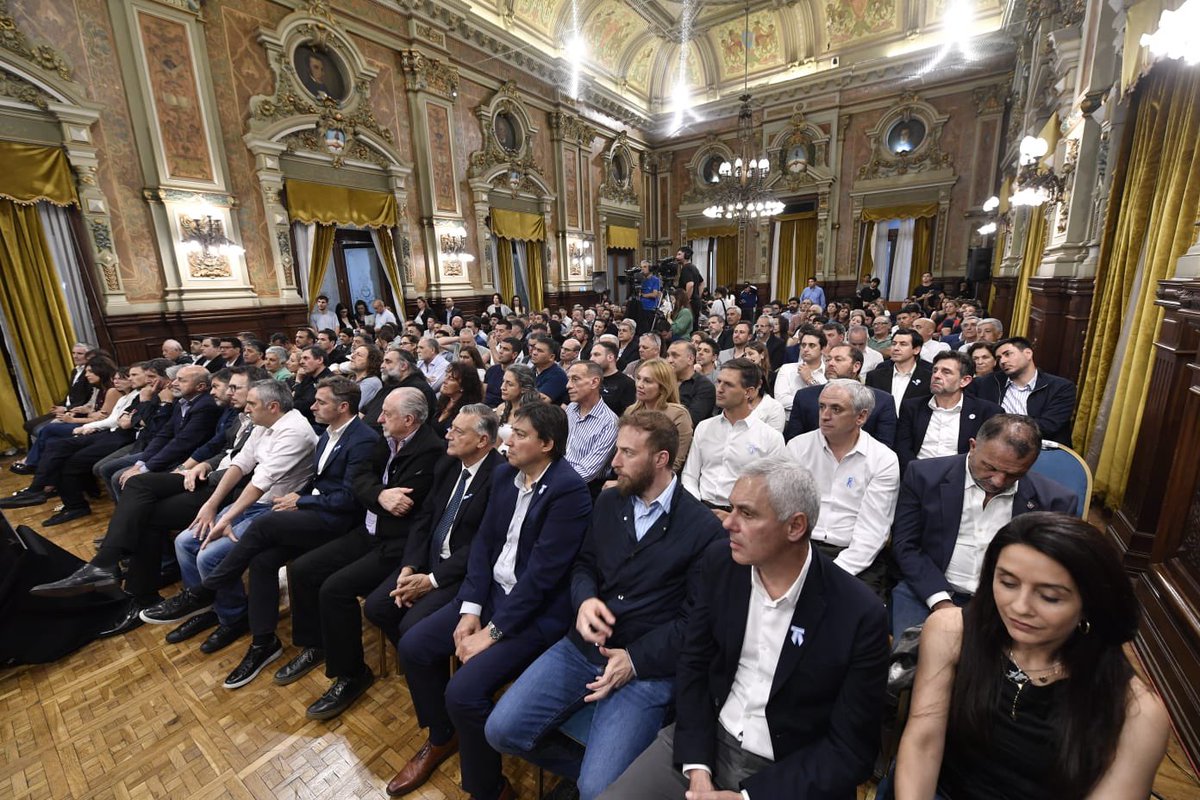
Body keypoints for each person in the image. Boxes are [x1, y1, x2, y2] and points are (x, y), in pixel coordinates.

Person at [601, 458, 889, 799]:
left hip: (789, 772)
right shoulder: (721, 563)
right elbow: (693, 665)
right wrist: (698, 769)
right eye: (731, 508)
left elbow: (850, 750)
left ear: (795, 526)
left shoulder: (858, 614)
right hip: (706, 741)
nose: (728, 524)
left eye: (747, 514)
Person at [487, 411, 726, 800]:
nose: (613, 461)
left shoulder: (703, 530)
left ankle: (594, 786)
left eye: (627, 453)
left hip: (644, 669)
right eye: (617, 449)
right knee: (501, 731)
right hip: (581, 648)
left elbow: (695, 622)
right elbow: (584, 565)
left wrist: (633, 659)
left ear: (660, 459)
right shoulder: (610, 500)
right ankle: (589, 780)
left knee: (599, 788)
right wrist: (584, 602)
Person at [890, 512, 1169, 800]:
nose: (1020, 607)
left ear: (1090, 602)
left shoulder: (1138, 713)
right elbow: (924, 741)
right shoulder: (951, 632)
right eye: (1008, 583)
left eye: (1049, 597)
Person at [389, 403, 591, 800]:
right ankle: (443, 736)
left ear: (547, 444)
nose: (507, 440)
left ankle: (489, 789)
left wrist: (492, 633)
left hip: (535, 614)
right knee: (413, 646)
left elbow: (542, 578)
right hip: (493, 596)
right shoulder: (504, 476)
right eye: (509, 431)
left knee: (462, 693)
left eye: (519, 434)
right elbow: (483, 547)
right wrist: (470, 611)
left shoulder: (570, 490)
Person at [199, 377, 381, 689]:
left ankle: (215, 582)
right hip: (316, 513)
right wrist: (302, 499)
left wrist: (303, 500)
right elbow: (318, 481)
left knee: (265, 523)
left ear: (343, 406)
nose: (312, 405)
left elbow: (351, 498)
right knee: (262, 561)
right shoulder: (329, 433)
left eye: (320, 402)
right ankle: (263, 641)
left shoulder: (362, 439)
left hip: (340, 521)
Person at [287, 387, 444, 719]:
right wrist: (381, 495)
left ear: (409, 419)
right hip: (368, 530)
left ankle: (352, 673)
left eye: (386, 413)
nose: (379, 417)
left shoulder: (431, 452)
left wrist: (378, 497)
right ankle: (317, 644)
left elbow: (405, 508)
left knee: (334, 589)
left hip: (395, 544)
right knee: (302, 569)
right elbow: (359, 478)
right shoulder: (384, 437)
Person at [139, 380, 318, 653]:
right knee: (186, 541)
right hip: (255, 502)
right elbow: (240, 464)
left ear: (273, 407)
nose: (245, 408)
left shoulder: (295, 431)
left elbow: (261, 481)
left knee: (209, 555)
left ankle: (233, 618)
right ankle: (209, 606)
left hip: (277, 509)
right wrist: (211, 505)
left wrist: (225, 518)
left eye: (251, 404)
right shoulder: (263, 423)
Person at [889, 415, 1078, 639]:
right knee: (914, 664)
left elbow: (1052, 569)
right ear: (973, 446)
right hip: (926, 590)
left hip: (1008, 605)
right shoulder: (924, 475)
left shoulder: (1054, 501)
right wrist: (941, 602)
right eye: (990, 467)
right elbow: (906, 545)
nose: (998, 481)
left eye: (1013, 474)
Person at [363, 405, 503, 651]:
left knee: (412, 627)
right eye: (451, 428)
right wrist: (410, 566)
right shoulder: (448, 463)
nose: (448, 435)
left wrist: (431, 581)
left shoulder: (501, 477)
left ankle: (428, 667)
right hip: (428, 559)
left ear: (482, 440)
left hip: (462, 571)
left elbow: (483, 544)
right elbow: (424, 518)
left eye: (458, 431)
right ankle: (415, 660)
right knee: (376, 607)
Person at [785, 380, 899, 593]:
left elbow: (872, 532)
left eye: (836, 409)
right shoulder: (798, 448)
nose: (825, 415)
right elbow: (786, 512)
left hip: (855, 556)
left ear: (861, 417)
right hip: (801, 548)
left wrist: (830, 573)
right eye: (822, 407)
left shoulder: (883, 459)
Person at [682, 358, 785, 515]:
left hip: (742, 515)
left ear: (748, 392)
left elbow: (772, 490)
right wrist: (698, 508)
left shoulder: (771, 438)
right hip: (700, 508)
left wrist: (739, 515)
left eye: (728, 384)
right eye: (719, 382)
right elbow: (690, 475)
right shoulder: (704, 427)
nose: (719, 389)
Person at [895, 351, 1003, 474]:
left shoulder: (986, 412)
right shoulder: (912, 407)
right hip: (916, 475)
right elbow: (902, 448)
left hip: (961, 479)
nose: (936, 375)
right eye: (935, 370)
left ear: (965, 381)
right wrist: (917, 474)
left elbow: (986, 455)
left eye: (946, 372)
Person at [784, 344, 897, 447]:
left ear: (856, 366)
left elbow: (884, 445)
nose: (831, 363)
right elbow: (794, 440)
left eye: (838, 359)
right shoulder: (805, 396)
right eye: (828, 359)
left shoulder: (882, 401)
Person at [973, 337, 1077, 446]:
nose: (1003, 361)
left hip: (1041, 449)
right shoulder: (988, 383)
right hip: (996, 447)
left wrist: (1004, 428)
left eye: (1008, 354)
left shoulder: (1061, 387)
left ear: (1028, 354)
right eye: (999, 358)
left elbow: (1049, 426)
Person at [625, 359, 693, 472]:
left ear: (663, 387)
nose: (639, 385)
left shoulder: (678, 415)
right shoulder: (631, 412)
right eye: (638, 378)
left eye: (647, 381)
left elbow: (674, 463)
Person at [564, 361, 619, 484]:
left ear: (594, 382)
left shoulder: (609, 422)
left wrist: (555, 482)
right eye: (568, 379)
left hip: (584, 486)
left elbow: (587, 472)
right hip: (559, 476)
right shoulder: (571, 408)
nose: (568, 385)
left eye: (575, 379)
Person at [866, 330, 933, 415]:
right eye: (894, 344)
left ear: (916, 350)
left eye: (903, 344)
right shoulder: (874, 376)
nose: (896, 348)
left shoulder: (928, 378)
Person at [774, 325, 827, 415]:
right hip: (788, 421)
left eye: (812, 345)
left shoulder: (829, 372)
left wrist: (810, 380)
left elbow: (826, 401)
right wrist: (812, 402)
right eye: (803, 345)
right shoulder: (787, 369)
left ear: (822, 349)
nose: (806, 349)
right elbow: (781, 400)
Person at [666, 340, 715, 427]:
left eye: (675, 356)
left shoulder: (704, 386)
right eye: (668, 355)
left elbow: (691, 420)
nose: (669, 360)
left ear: (690, 359)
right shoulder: (663, 382)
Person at [433, 361, 484, 439]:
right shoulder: (443, 401)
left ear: (463, 386)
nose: (444, 381)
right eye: (446, 376)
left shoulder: (468, 413)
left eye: (451, 379)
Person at [591, 339, 636, 417]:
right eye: (591, 355)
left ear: (610, 357)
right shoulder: (589, 380)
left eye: (596, 354)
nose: (591, 359)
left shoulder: (627, 383)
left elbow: (627, 415)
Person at [528, 333, 568, 405]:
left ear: (551, 357)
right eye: (534, 349)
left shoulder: (558, 376)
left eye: (540, 351)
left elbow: (538, 403)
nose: (534, 353)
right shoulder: (531, 371)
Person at [347, 343, 384, 408]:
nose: (352, 356)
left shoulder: (371, 382)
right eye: (354, 353)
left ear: (371, 361)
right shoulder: (352, 378)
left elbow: (352, 407)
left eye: (359, 355)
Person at [637, 260, 662, 334]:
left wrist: (644, 295)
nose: (642, 269)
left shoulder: (655, 280)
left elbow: (655, 294)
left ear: (650, 268)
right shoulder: (641, 280)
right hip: (641, 308)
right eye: (641, 267)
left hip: (650, 309)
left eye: (645, 267)